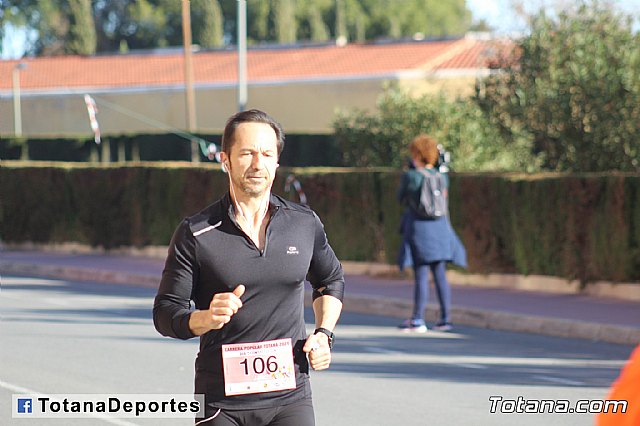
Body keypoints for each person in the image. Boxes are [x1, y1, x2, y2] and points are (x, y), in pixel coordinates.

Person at [153, 109, 344, 426]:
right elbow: (165, 313)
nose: (258, 164)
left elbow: (330, 280)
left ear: (277, 161)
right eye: (247, 154)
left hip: (290, 397)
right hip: (220, 403)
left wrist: (324, 333)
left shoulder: (303, 223)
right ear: (225, 159)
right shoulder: (197, 232)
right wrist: (204, 318)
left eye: (268, 154)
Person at [396, 134, 466, 333]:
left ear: (416, 154)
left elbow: (400, 198)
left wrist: (410, 172)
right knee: (440, 274)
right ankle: (445, 319)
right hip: (441, 228)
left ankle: (418, 319)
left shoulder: (412, 177)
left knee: (421, 274)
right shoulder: (441, 176)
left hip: (420, 228)